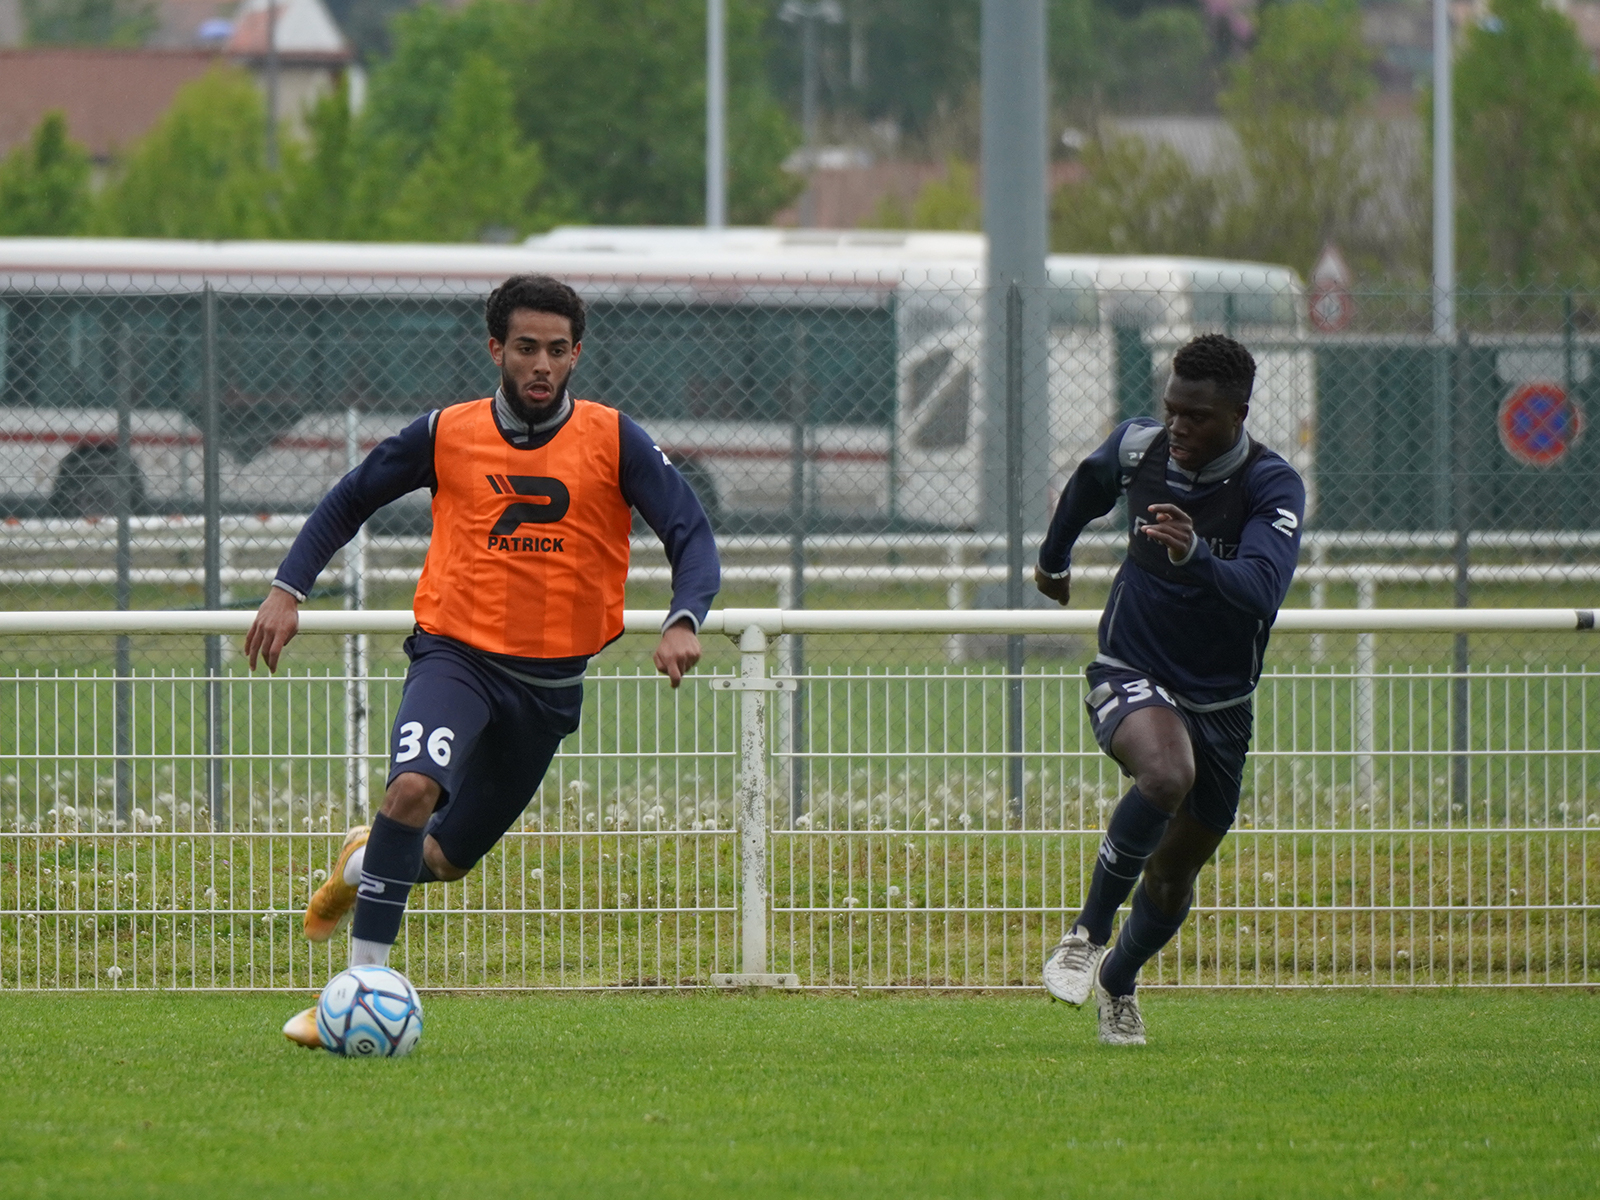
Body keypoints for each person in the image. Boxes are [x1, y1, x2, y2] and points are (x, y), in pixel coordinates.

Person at [247, 275, 721, 1047]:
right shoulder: (447, 432)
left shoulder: (615, 439)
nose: (542, 364)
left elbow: (691, 536)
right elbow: (350, 497)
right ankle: (355, 988)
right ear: (496, 347)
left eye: (558, 350)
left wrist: (683, 617)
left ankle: (360, 868)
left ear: (577, 354)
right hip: (457, 657)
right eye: (526, 347)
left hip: (549, 690)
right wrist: (286, 588)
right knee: (410, 791)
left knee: (439, 857)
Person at [1034, 333, 1304, 1045]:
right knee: (1164, 773)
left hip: (1221, 703)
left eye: (1199, 417)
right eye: (1173, 410)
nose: (1179, 427)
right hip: (1132, 667)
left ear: (1240, 414)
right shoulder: (1138, 449)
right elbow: (1088, 488)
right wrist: (1052, 560)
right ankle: (1085, 936)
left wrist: (1193, 556)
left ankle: (1118, 983)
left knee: (1172, 878)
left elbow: (1262, 589)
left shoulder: (1271, 486)